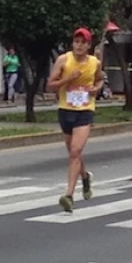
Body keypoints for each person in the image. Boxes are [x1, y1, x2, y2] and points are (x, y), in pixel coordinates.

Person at [47, 28, 105, 213]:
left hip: (85, 111)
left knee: (75, 151)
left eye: (83, 42)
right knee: (74, 154)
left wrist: (96, 89)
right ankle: (85, 176)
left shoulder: (94, 62)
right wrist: (67, 79)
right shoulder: (64, 60)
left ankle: (69, 195)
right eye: (76, 41)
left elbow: (100, 79)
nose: (79, 45)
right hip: (66, 110)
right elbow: (50, 85)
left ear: (89, 45)